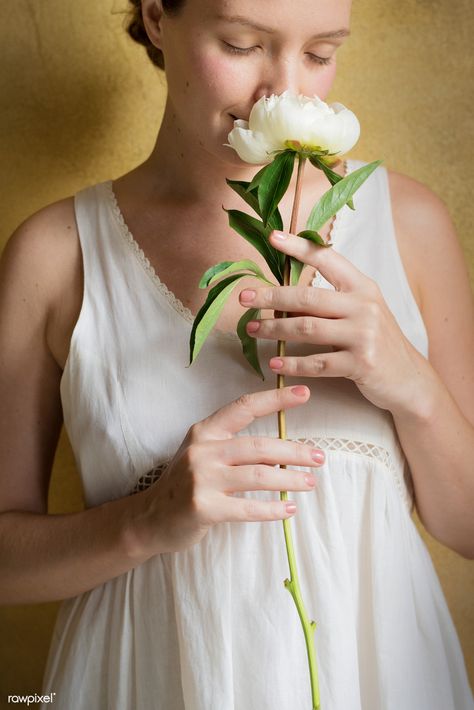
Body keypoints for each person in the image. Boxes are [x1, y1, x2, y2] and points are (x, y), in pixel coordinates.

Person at [0, 0, 473, 708]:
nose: (284, 90)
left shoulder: (408, 224)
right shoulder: (55, 255)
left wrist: (413, 384)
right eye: (244, 43)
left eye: (319, 53)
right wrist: (144, 521)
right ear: (158, 17)